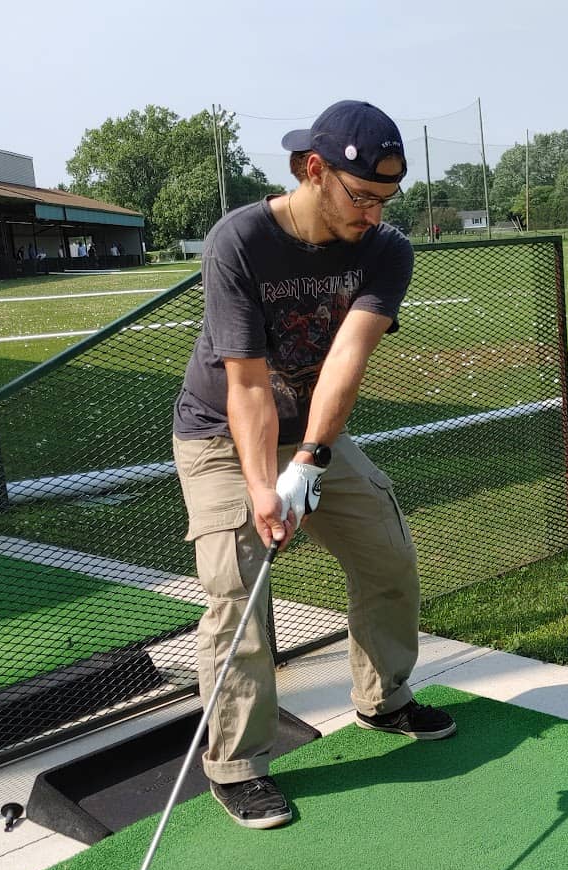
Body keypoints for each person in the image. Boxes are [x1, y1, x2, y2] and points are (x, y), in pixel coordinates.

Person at [171, 99, 451, 830]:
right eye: (362, 197)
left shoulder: (386, 249)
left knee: (386, 554)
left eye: (387, 200)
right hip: (220, 437)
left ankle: (383, 699)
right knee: (239, 597)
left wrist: (311, 462)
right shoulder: (239, 239)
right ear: (313, 170)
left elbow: (347, 359)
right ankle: (236, 766)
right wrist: (265, 488)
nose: (374, 214)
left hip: (310, 435)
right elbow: (248, 383)